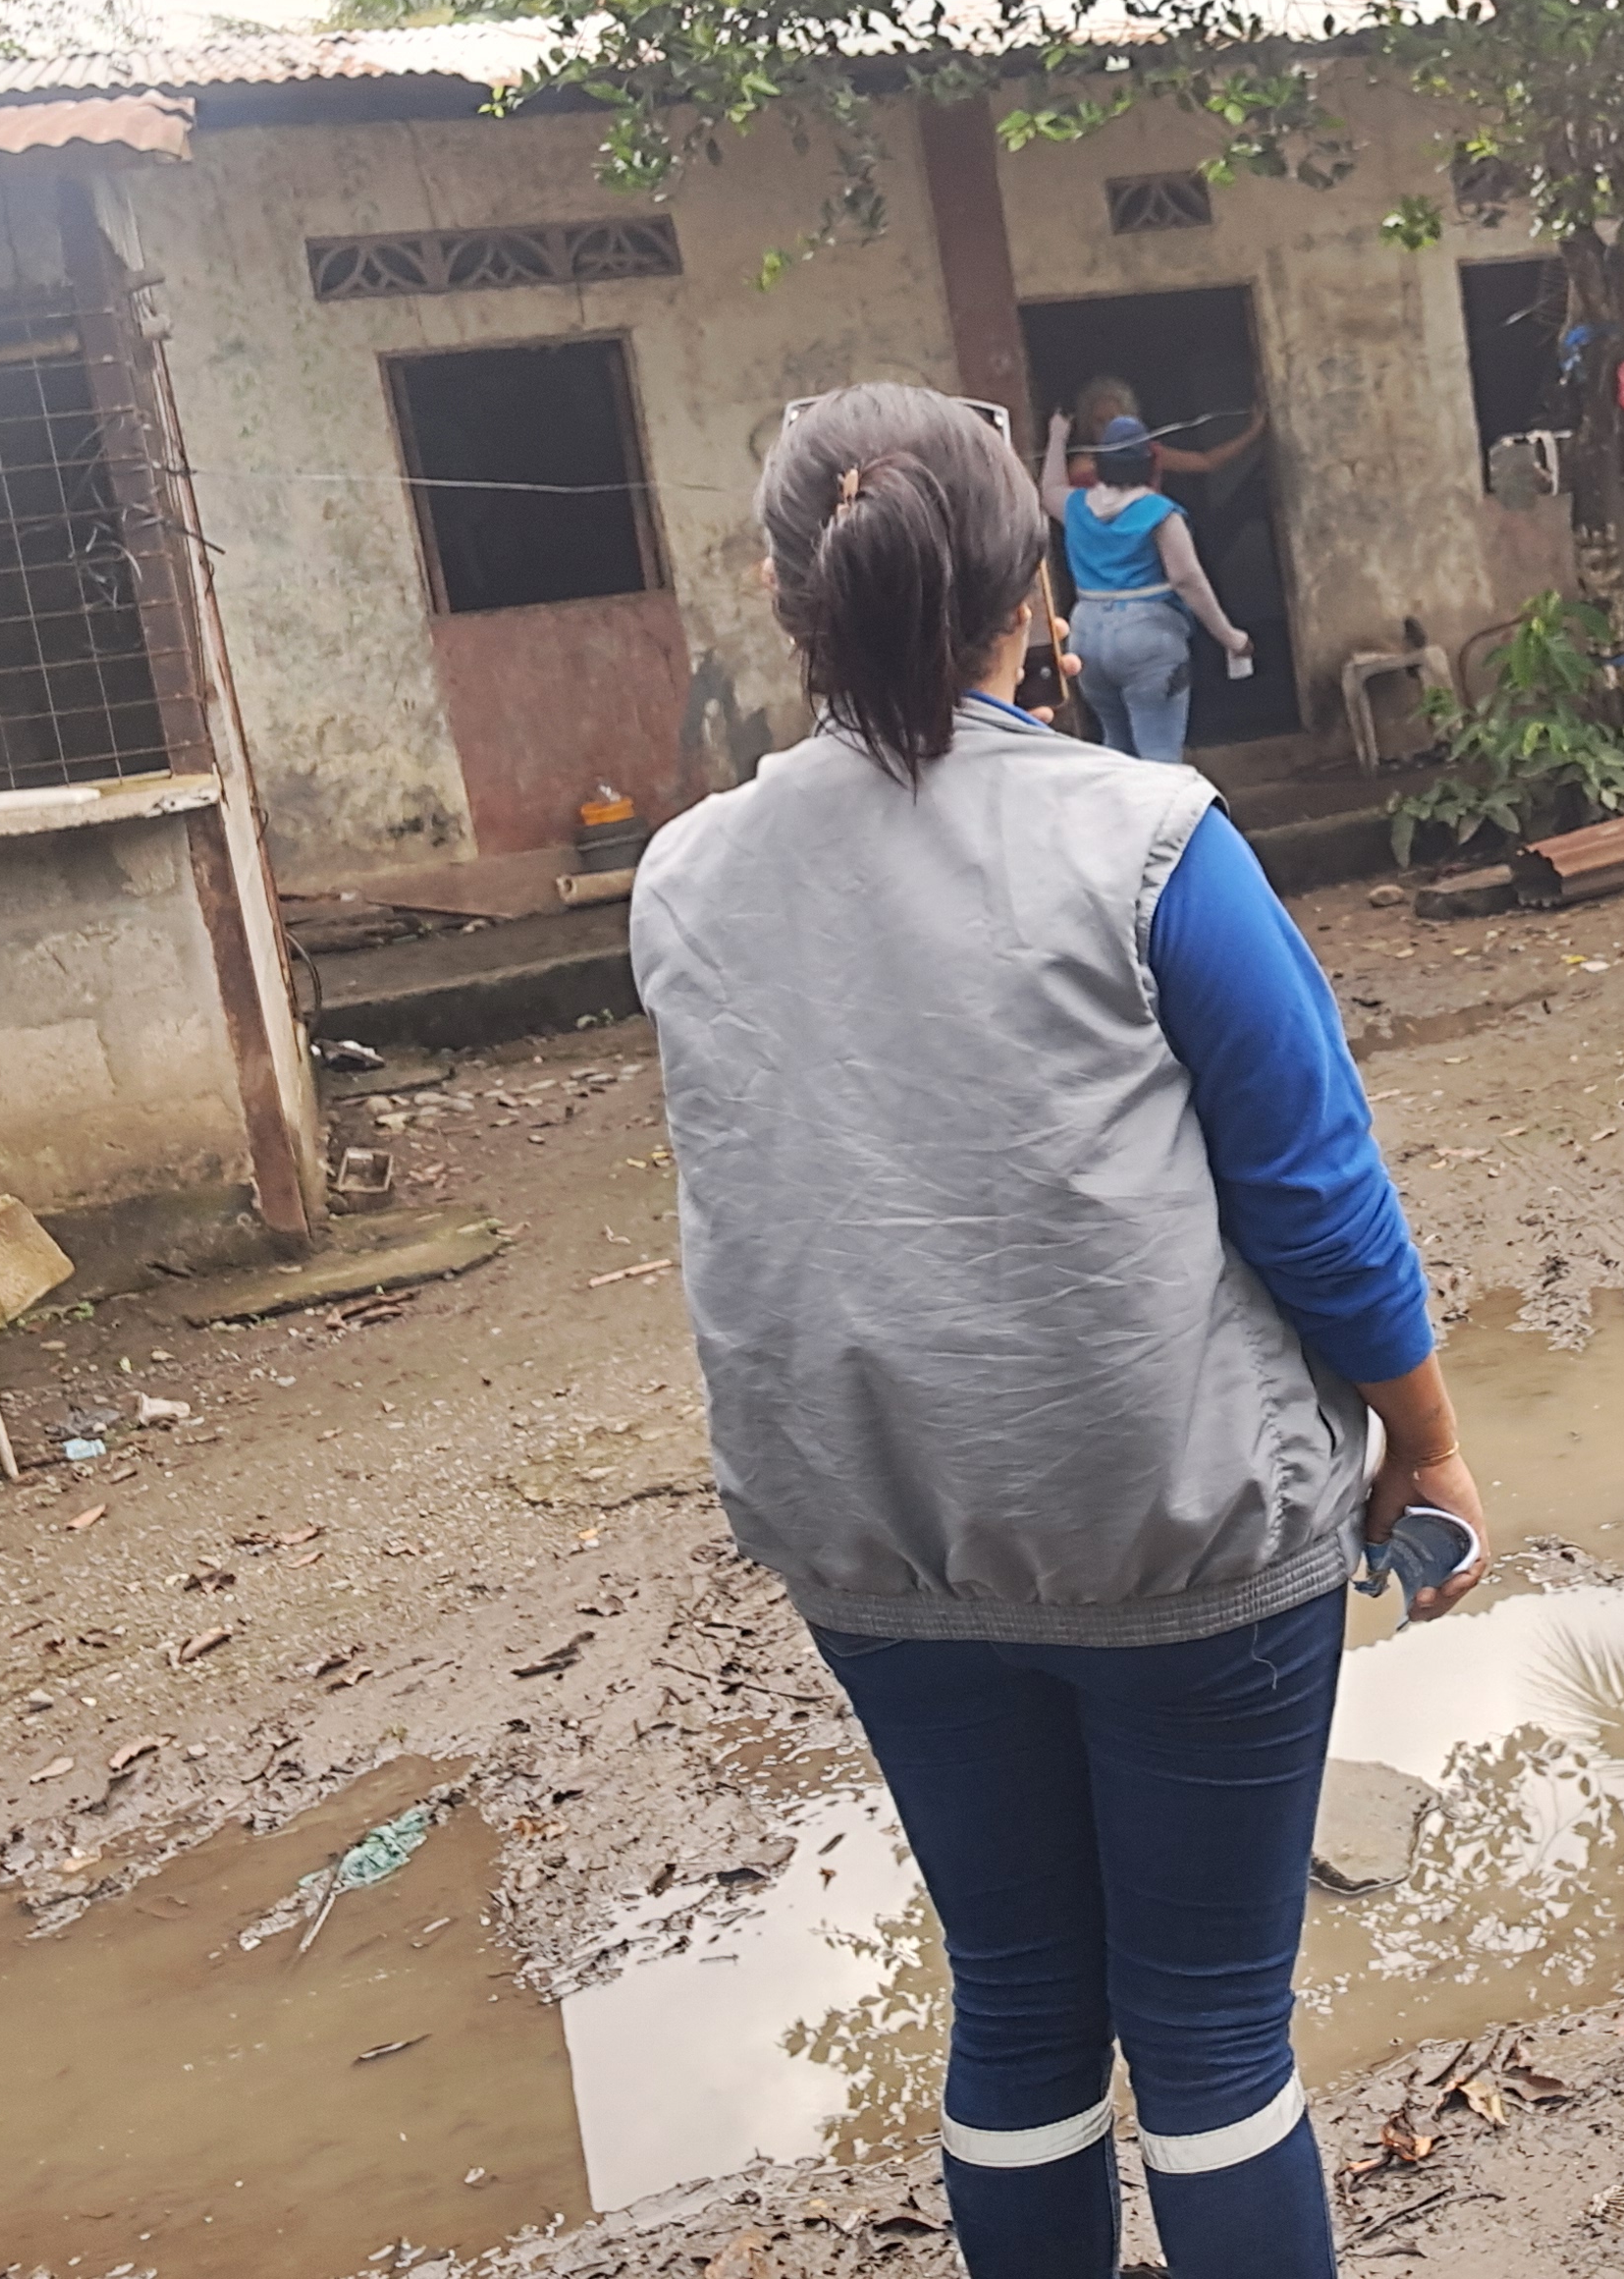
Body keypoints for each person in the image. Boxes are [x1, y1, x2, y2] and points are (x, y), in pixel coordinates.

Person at [631, 383, 1489, 2279]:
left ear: (782, 599)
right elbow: (1316, 1198)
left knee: (1018, 1995)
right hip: (1177, 1538)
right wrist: (1422, 1442)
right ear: (1032, 597)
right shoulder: (1151, 842)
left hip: (881, 1550)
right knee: (1208, 2032)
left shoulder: (683, 882)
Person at [1045, 407, 1254, 763]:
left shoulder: (1075, 505)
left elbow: (1048, 489)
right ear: (1149, 464)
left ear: (1100, 464)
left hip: (1086, 637)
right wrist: (1230, 637)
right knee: (1159, 755)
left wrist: (1057, 436)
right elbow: (1186, 579)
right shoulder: (1160, 513)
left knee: (1117, 747)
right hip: (1146, 640)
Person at [1064, 371, 1271, 484]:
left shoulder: (1149, 453)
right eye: (1099, 421)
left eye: (1114, 419)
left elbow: (1206, 462)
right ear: (1087, 424)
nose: (1108, 428)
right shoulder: (1081, 465)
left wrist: (1252, 432)